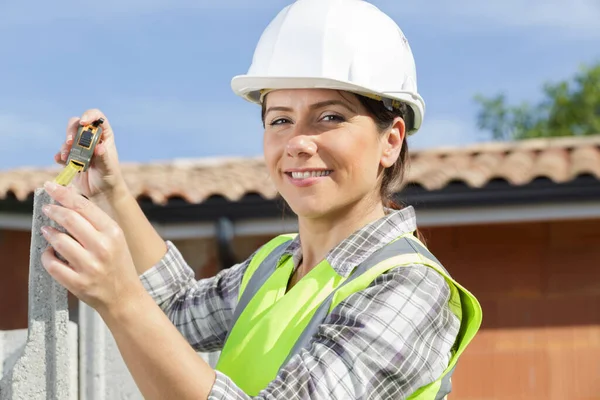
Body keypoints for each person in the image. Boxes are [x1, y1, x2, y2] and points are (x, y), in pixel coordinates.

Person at [40, 0, 482, 399]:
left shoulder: (409, 289)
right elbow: (174, 311)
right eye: (280, 120)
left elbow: (140, 310)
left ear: (391, 140)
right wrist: (112, 190)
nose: (298, 143)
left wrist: (121, 300)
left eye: (330, 116)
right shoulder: (275, 264)